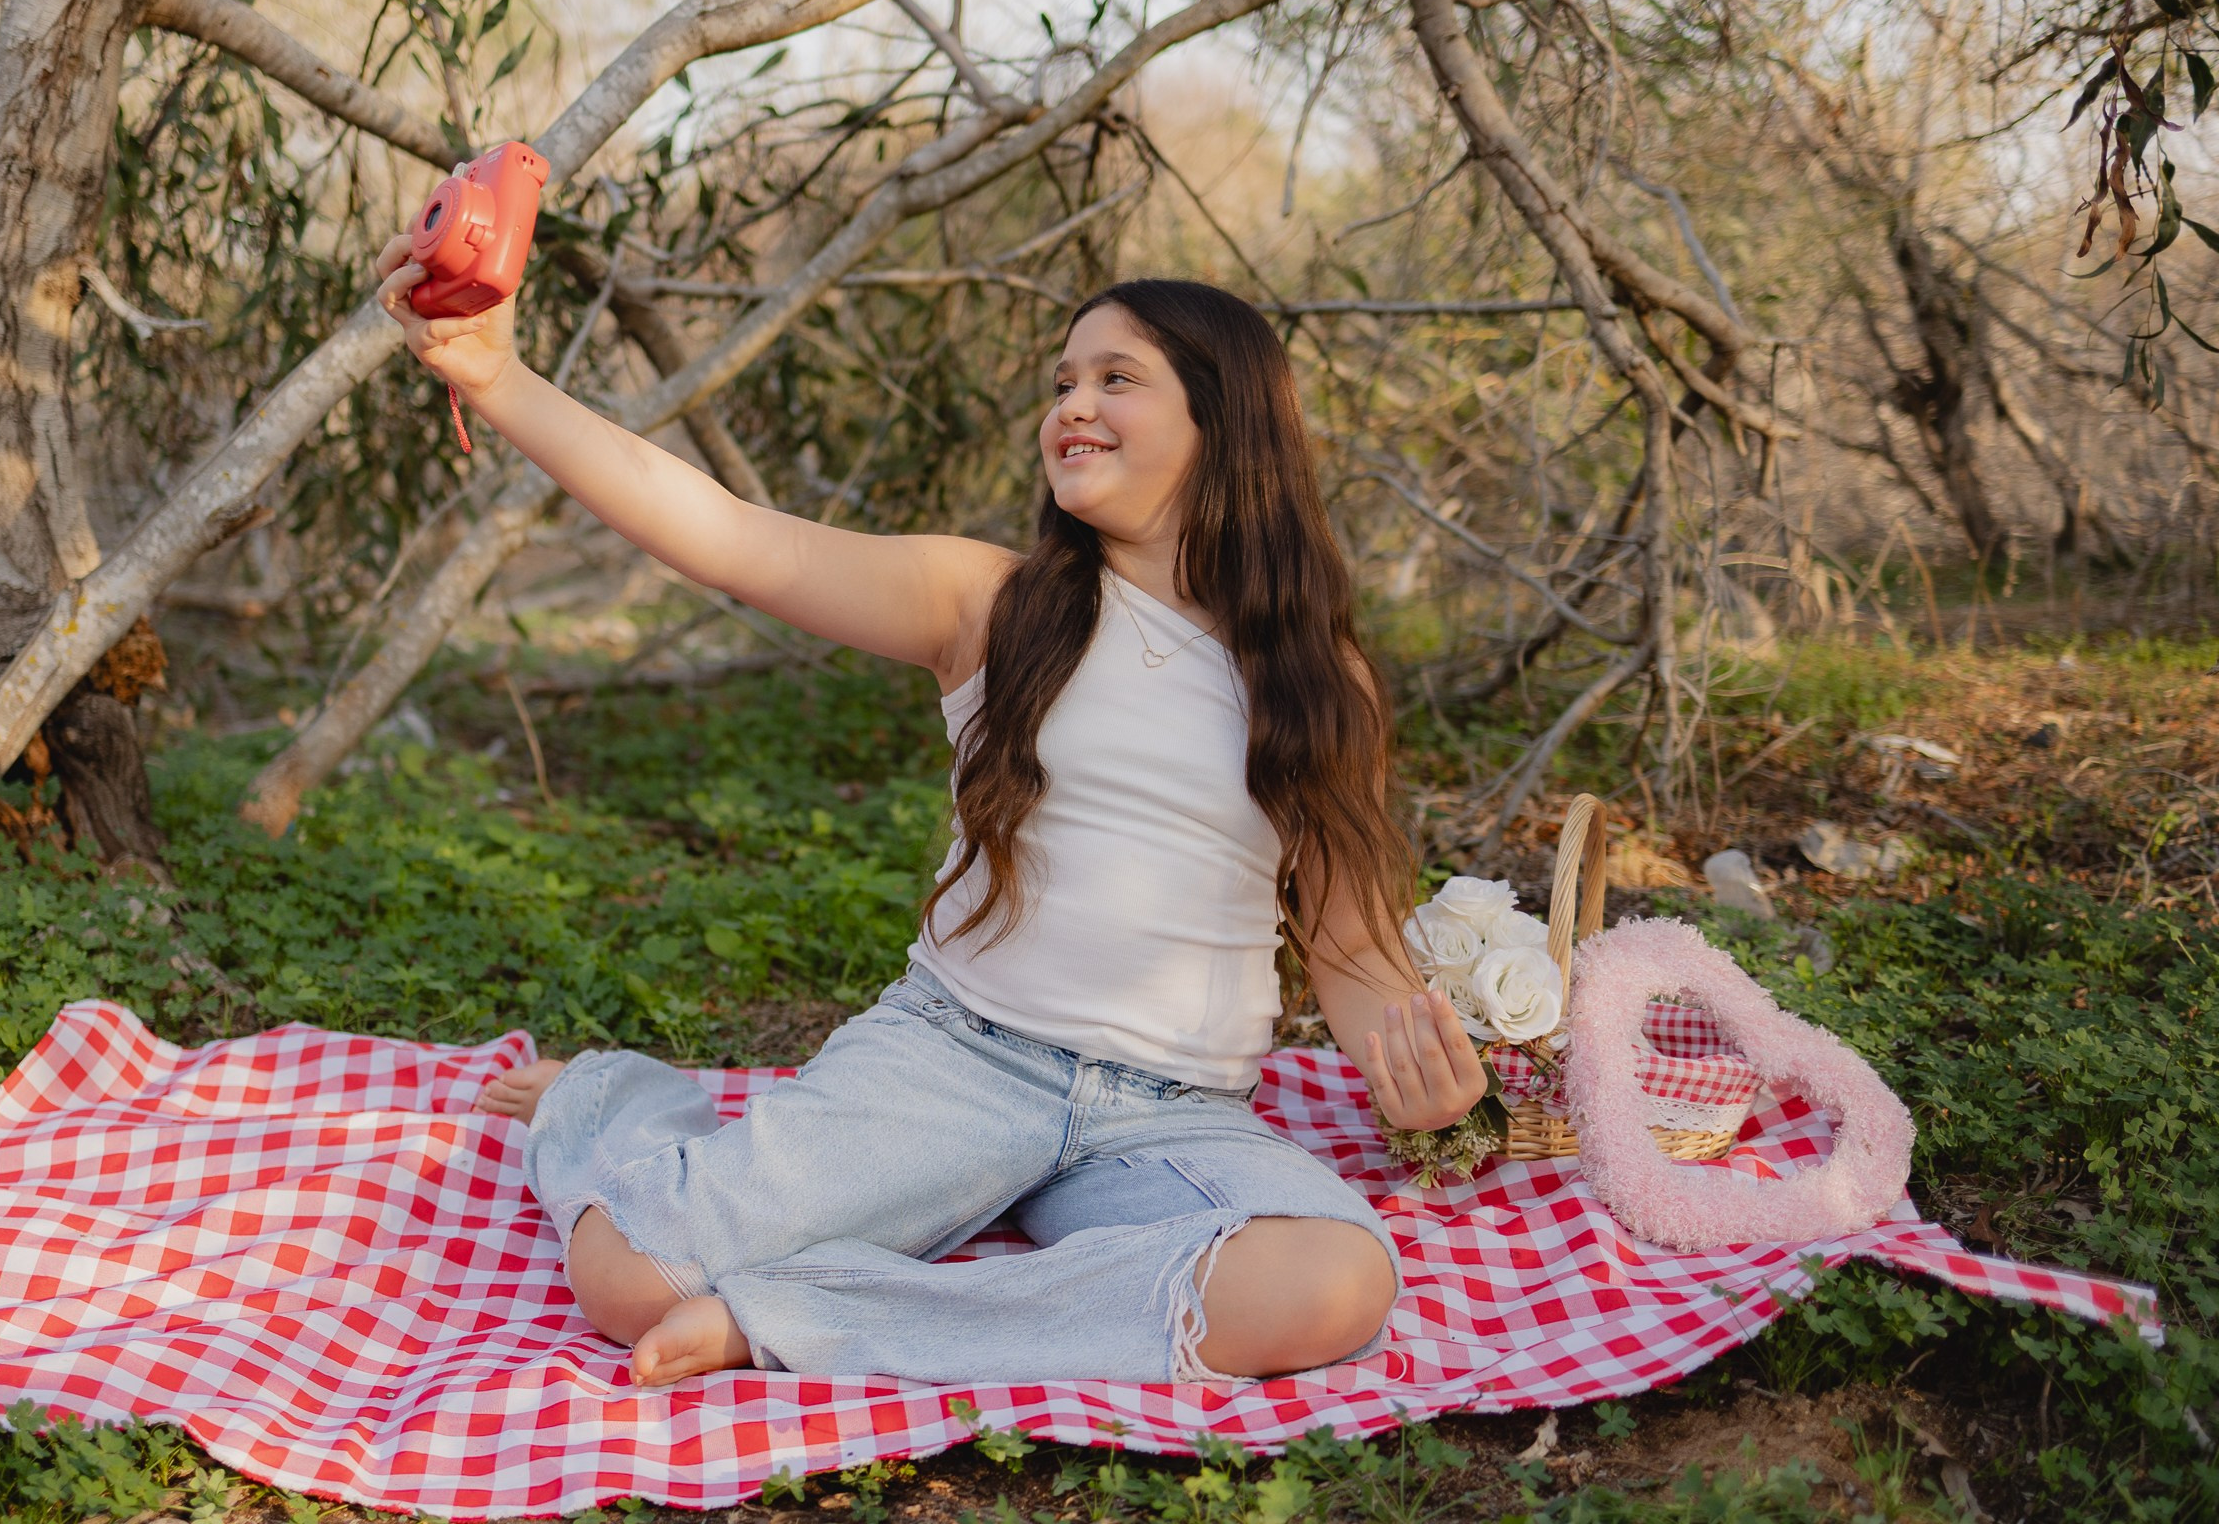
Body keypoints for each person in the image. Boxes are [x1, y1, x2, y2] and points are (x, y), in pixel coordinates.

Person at [375, 250, 1490, 1389]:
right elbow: (724, 534)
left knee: (1335, 1284)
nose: (1073, 406)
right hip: (961, 1069)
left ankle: (800, 1317)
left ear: (1227, 419)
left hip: (1172, 1117)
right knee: (629, 1280)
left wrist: (1425, 1073)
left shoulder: (1317, 679)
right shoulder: (993, 604)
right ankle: (616, 1101)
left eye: (1118, 378)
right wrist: (501, 379)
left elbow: (1349, 943)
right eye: (1062, 383)